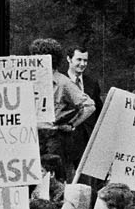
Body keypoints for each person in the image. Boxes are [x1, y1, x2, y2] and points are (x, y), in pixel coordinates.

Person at [32, 38, 98, 181]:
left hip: (54, 139)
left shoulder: (63, 82)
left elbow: (89, 106)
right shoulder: (31, 80)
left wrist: (72, 124)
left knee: (55, 179)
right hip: (32, 137)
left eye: (39, 59)